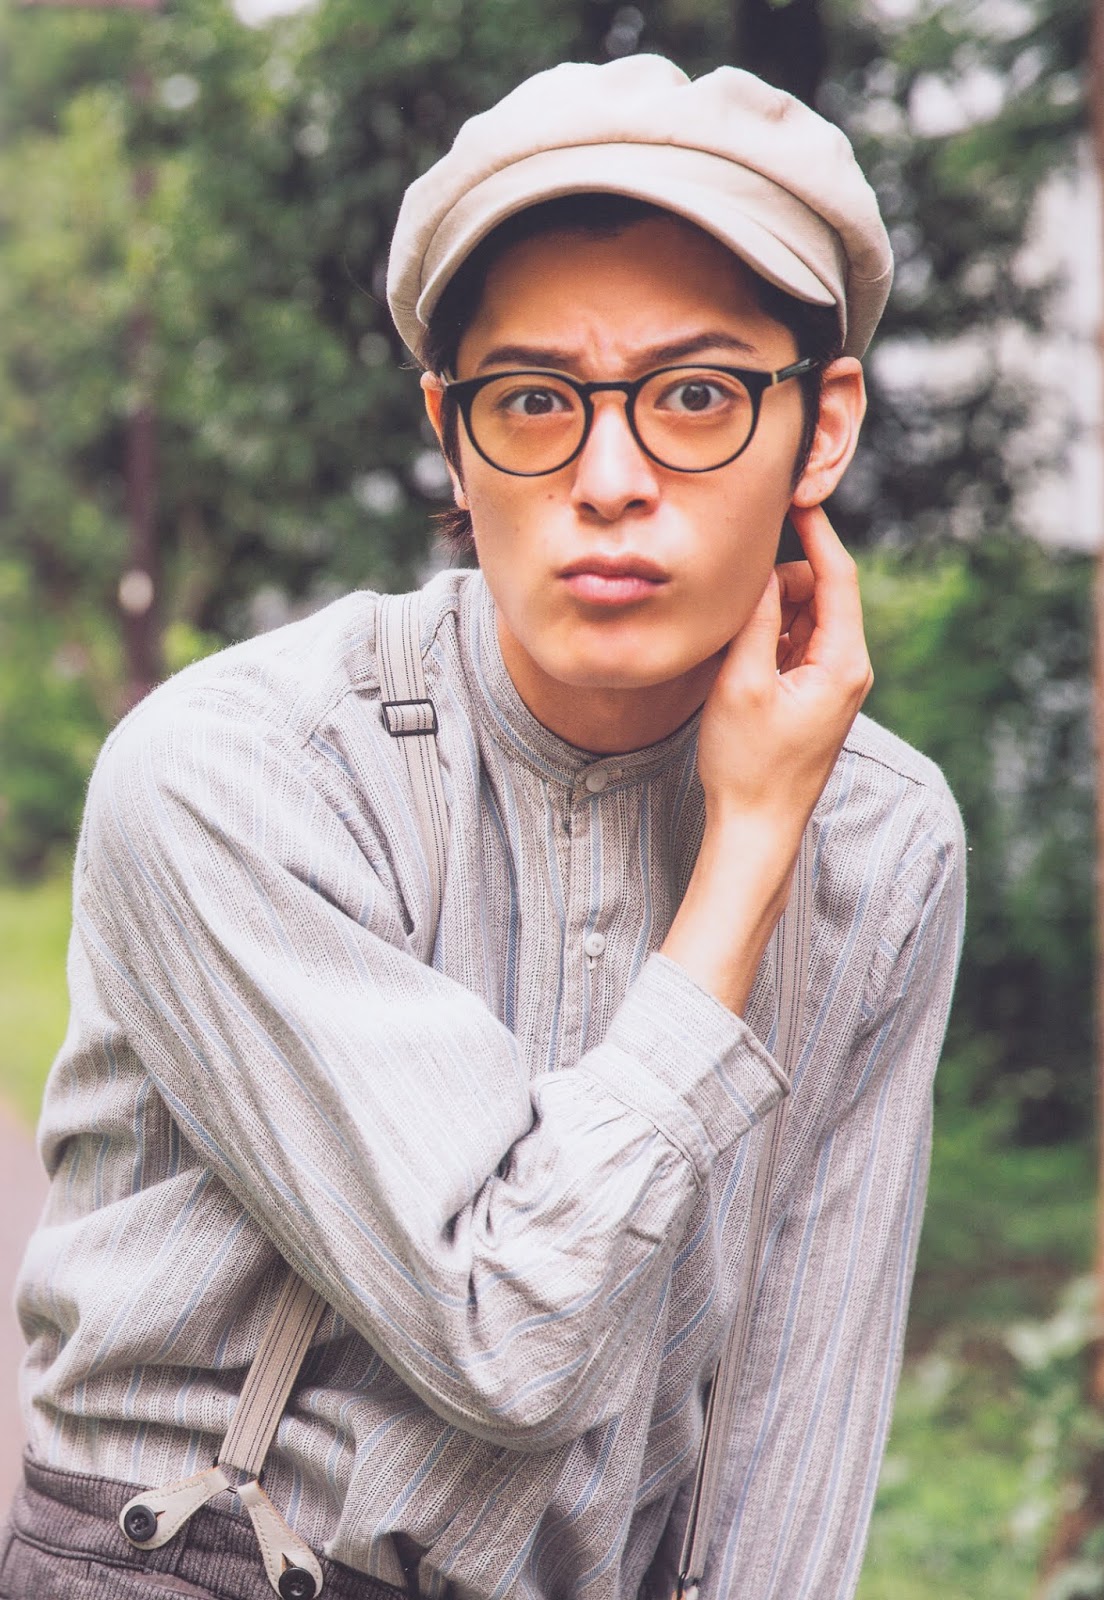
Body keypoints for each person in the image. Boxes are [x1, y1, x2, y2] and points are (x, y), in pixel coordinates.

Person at [1, 53, 964, 1600]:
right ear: (451, 433)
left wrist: (796, 826)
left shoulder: (886, 841)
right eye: (533, 401)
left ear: (825, 423)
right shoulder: (236, 771)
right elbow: (502, 1331)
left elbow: (796, 1426)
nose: (609, 480)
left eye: (697, 395)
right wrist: (743, 857)